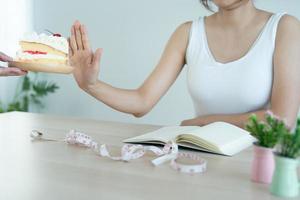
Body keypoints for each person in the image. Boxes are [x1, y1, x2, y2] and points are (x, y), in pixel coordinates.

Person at [68, 0, 300, 129]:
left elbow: (282, 120)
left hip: (261, 170)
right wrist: (91, 85)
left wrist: (204, 123)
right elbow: (142, 102)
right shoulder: (188, 33)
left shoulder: (284, 28)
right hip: (201, 164)